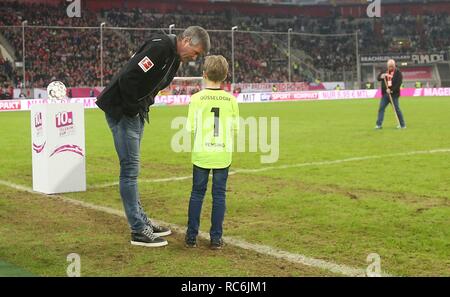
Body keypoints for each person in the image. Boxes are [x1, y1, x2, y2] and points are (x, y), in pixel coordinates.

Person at [96, 26, 211, 248]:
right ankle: (138, 230)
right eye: (195, 52)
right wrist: (132, 109)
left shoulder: (174, 58)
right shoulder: (160, 47)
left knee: (132, 170)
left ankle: (142, 222)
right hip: (123, 111)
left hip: (135, 112)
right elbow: (128, 78)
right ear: (186, 40)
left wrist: (142, 108)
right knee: (130, 170)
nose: (195, 58)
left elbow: (152, 86)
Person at [185, 55, 239, 250]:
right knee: (219, 195)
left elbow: (190, 128)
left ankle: (191, 237)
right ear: (225, 75)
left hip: (202, 153)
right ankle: (216, 238)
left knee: (197, 193)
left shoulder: (196, 99)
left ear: (204, 74)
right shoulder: (231, 100)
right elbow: (235, 128)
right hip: (222, 154)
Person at [375, 59, 406, 129]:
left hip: (394, 95)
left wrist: (391, 90)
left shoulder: (398, 73)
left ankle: (402, 125)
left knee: (396, 109)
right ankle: (378, 125)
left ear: (394, 66)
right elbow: (378, 78)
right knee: (381, 108)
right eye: (389, 67)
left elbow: (398, 84)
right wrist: (381, 76)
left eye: (392, 66)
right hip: (385, 95)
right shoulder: (384, 71)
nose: (390, 68)